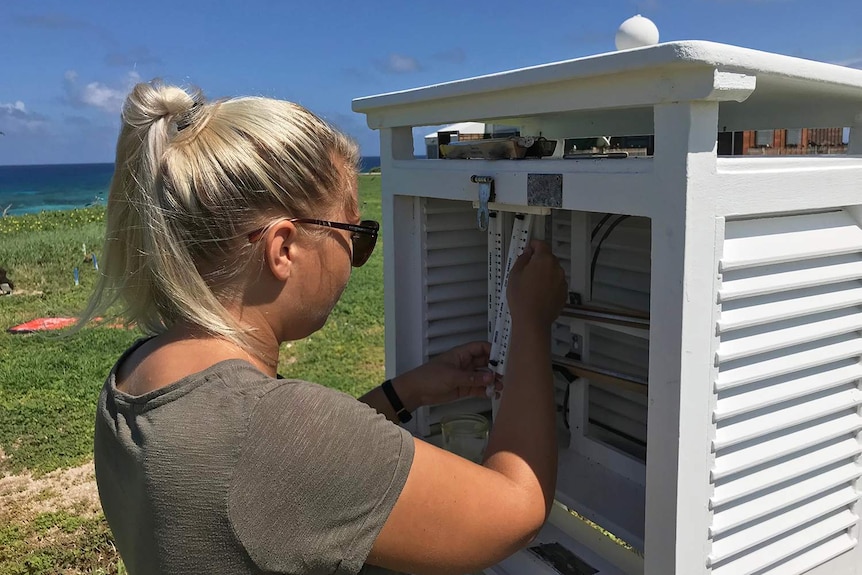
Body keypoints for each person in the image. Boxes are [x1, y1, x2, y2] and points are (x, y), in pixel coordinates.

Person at [84, 80, 568, 575]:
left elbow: (275, 475)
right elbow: (516, 509)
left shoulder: (136, 373)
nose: (354, 260)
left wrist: (402, 394)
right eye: (355, 235)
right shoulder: (271, 427)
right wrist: (529, 322)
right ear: (283, 249)